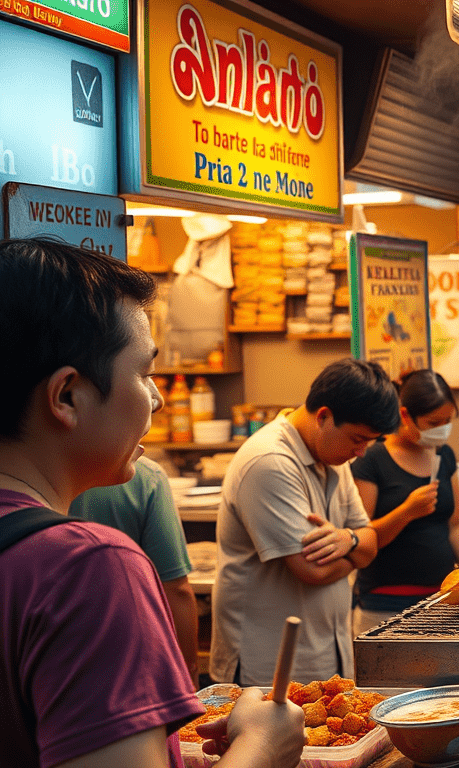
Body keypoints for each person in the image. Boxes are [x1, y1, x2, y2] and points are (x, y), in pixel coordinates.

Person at [0, 238, 303, 768]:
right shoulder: (86, 568)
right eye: (143, 373)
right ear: (66, 396)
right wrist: (262, 746)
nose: (158, 399)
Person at [212, 358, 398, 686]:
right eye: (358, 439)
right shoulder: (269, 461)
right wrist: (358, 549)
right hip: (269, 666)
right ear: (324, 416)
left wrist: (351, 541)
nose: (362, 452)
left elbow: (370, 544)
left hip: (326, 652)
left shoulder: (333, 456)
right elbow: (312, 571)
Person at [350, 370, 459, 634]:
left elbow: (455, 525)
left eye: (447, 421)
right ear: (405, 415)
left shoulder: (444, 455)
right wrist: (406, 512)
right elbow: (364, 540)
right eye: (433, 423)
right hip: (385, 603)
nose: (442, 430)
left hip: (440, 598)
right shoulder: (372, 459)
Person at [68, 456, 200, 680]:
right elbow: (176, 589)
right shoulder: (144, 475)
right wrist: (188, 670)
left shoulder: (23, 470)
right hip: (128, 661)